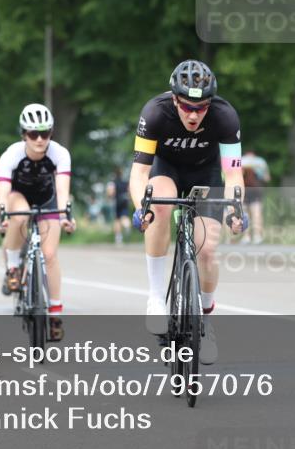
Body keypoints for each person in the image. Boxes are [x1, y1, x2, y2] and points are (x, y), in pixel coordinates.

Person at [130, 60, 247, 365]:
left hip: (205, 175)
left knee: (207, 250)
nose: (194, 114)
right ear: (174, 99)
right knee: (159, 202)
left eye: (202, 107)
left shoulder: (225, 116)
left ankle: (205, 323)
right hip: (166, 171)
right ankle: (156, 297)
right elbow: (139, 173)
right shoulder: (155, 112)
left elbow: (233, 175)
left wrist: (237, 208)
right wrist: (140, 208)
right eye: (187, 107)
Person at [0, 103, 76, 341]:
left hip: (47, 199)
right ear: (24, 135)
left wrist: (64, 217)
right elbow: (3, 190)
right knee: (18, 214)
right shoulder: (11, 154)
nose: (40, 139)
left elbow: (62, 190)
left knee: (49, 255)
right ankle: (12, 267)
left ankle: (54, 314)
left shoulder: (60, 154)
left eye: (46, 133)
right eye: (33, 134)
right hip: (17, 196)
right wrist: (1, 215)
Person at [241, 150, 271, 244]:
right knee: (247, 214)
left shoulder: (259, 163)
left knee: (255, 214)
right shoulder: (259, 162)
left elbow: (267, 178)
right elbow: (267, 178)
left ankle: (255, 236)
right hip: (246, 192)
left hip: (254, 192)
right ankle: (248, 236)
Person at [108, 167, 131, 245]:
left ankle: (118, 237)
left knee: (117, 219)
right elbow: (129, 192)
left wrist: (109, 197)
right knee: (125, 216)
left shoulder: (113, 182)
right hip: (125, 201)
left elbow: (111, 193)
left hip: (117, 202)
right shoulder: (125, 182)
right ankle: (127, 226)